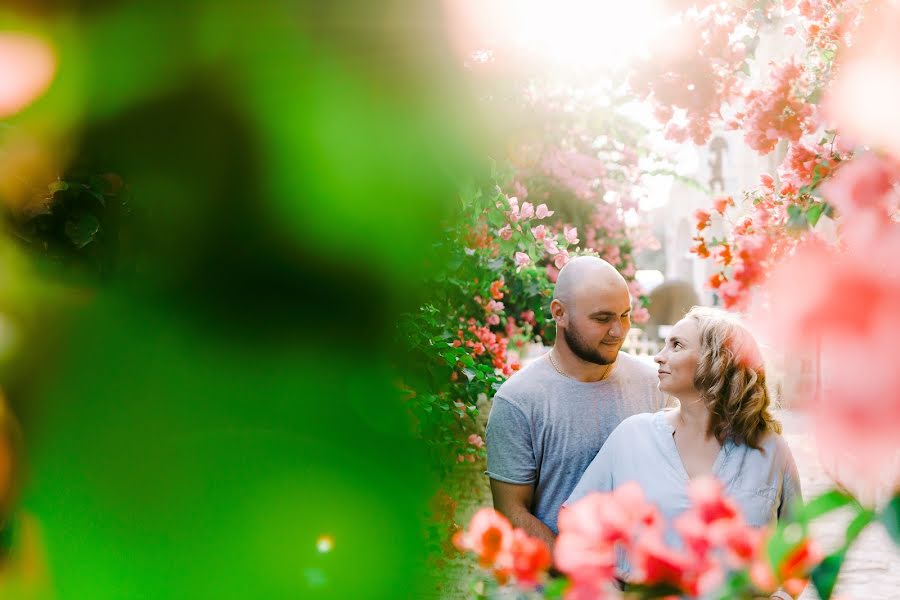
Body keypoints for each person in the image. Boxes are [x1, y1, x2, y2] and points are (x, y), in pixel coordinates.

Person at [565, 306, 802, 598]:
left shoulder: (771, 450)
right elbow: (577, 526)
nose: (659, 356)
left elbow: (797, 546)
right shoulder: (632, 436)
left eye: (677, 345)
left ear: (719, 361)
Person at [485, 256, 668, 550]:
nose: (618, 331)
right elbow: (511, 513)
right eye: (602, 318)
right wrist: (585, 573)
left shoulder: (655, 385)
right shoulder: (518, 400)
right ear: (559, 313)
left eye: (625, 315)